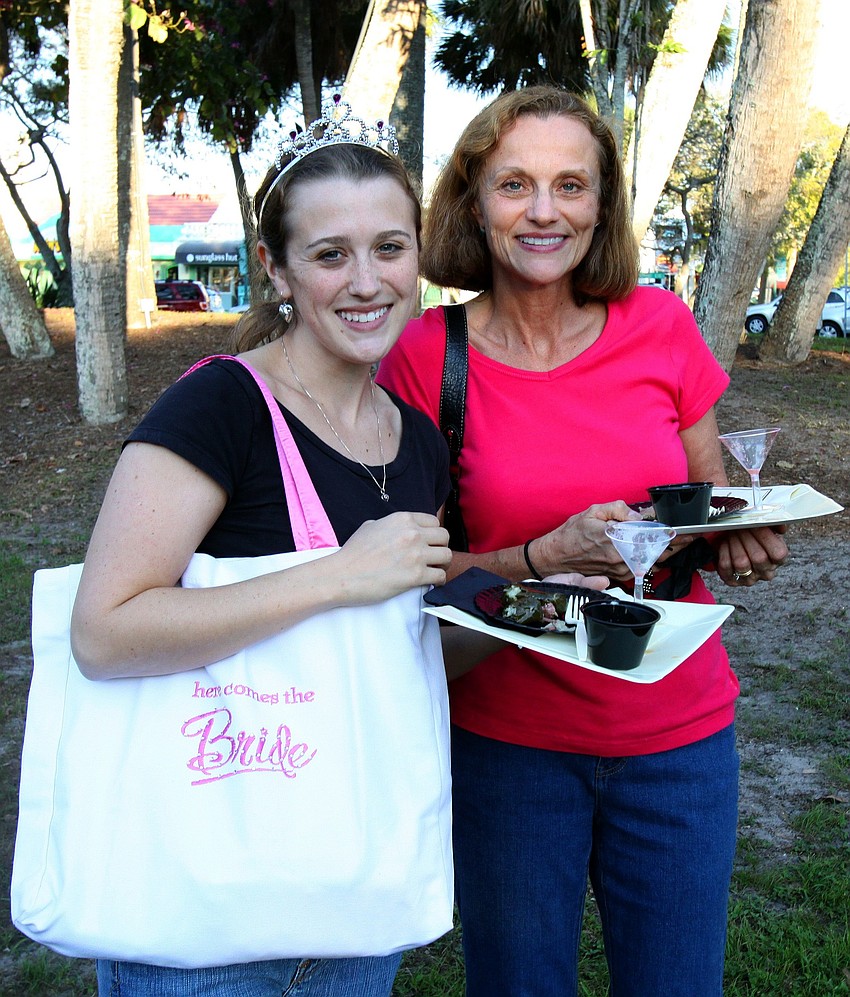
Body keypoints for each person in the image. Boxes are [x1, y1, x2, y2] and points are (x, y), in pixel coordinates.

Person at [378, 85, 789, 996]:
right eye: (515, 183)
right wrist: (541, 555)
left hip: (677, 730)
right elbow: (410, 575)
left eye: (571, 185)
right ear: (474, 200)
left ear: (601, 206)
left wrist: (739, 540)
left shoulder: (661, 328)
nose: (543, 210)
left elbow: (701, 509)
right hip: (507, 739)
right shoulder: (425, 356)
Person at [71, 100, 462, 997]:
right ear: (277, 271)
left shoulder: (417, 437)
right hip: (208, 909)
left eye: (390, 248)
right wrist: (335, 575)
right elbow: (104, 631)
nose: (367, 281)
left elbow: (383, 636)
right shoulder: (221, 408)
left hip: (358, 892)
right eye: (331, 255)